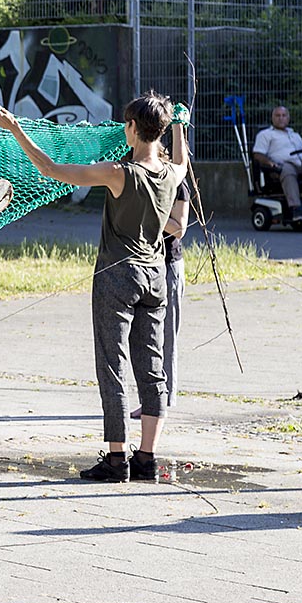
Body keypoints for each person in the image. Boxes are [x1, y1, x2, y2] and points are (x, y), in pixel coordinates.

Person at [0, 92, 188, 483]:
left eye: (126, 125)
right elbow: (182, 161)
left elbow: (49, 168)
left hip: (118, 277)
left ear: (132, 128)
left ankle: (116, 461)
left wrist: (15, 128)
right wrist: (181, 126)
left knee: (113, 366)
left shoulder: (118, 173)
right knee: (152, 370)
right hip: (155, 278)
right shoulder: (172, 174)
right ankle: (146, 458)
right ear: (162, 131)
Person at [131, 176, 190, 420]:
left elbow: (179, 229)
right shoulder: (140, 178)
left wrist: (150, 211)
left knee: (166, 336)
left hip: (169, 267)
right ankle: (149, 399)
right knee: (144, 337)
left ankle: (162, 400)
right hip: (144, 264)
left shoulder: (178, 184)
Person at [253, 105, 302, 223]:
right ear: (272, 118)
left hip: (300, 165)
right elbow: (258, 154)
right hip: (279, 167)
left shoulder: (295, 135)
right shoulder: (265, 134)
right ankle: (296, 209)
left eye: (284, 115)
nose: (281, 118)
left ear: (288, 118)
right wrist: (269, 163)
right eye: (278, 115)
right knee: (288, 169)